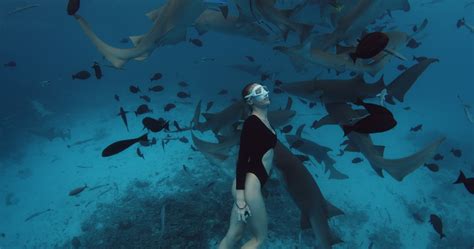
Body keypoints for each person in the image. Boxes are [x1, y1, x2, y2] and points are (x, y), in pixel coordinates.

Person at [218, 82, 277, 249]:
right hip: (249, 187)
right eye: (258, 91)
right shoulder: (251, 124)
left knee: (234, 234)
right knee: (259, 238)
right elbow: (242, 159)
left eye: (265, 88)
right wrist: (241, 200)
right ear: (250, 101)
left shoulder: (263, 120)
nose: (265, 92)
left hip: (247, 183)